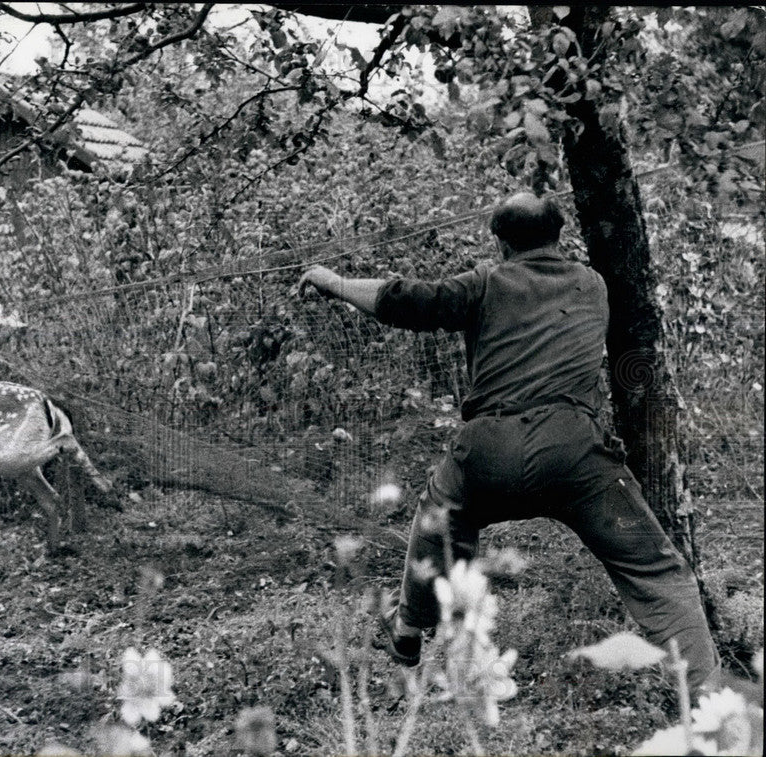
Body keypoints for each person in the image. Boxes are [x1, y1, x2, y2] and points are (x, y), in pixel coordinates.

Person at [296, 192, 721, 691]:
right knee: (656, 571)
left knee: (439, 520)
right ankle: (708, 701)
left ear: (499, 242)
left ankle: (409, 627)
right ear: (559, 236)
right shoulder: (594, 284)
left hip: (487, 451)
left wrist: (334, 282)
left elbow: (405, 300)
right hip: (575, 455)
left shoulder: (486, 283)